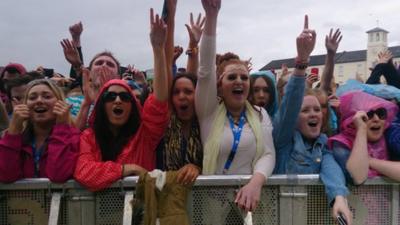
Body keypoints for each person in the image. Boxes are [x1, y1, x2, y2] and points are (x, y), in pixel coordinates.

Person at [195, 0, 275, 221]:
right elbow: (204, 73)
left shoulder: (260, 113)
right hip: (214, 204)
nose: (239, 81)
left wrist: (255, 183)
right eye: (232, 77)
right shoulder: (208, 112)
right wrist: (212, 17)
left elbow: (267, 154)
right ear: (219, 85)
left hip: (250, 200)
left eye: (244, 77)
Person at [74, 8, 169, 192]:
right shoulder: (89, 137)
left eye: (125, 97)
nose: (117, 100)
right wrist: (128, 169)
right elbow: (83, 171)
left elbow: (159, 101)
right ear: (101, 105)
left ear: (133, 104)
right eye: (110, 97)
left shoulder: (146, 134)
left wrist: (158, 50)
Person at [272, 16, 352, 224]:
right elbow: (289, 106)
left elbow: (330, 168)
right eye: (305, 110)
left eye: (317, 109)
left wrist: (340, 198)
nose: (314, 114)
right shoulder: (284, 141)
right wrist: (301, 62)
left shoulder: (323, 143)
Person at [0, 79, 79, 183]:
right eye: (32, 98)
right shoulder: (11, 137)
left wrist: (61, 128)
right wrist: (14, 131)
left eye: (47, 96)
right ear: (25, 105)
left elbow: (58, 176)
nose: (39, 101)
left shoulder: (75, 137)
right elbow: (6, 176)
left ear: (60, 102)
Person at [328, 91, 399, 183]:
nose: (377, 119)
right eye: (368, 114)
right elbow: (358, 177)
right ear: (353, 120)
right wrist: (361, 129)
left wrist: (370, 161)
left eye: (381, 113)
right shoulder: (341, 144)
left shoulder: (388, 135)